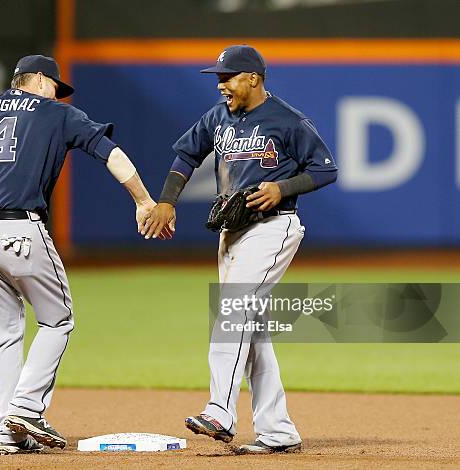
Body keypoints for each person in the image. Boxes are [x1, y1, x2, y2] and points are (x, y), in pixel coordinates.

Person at [0, 54, 156, 455]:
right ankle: (25, 409)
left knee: (3, 336)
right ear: (40, 81)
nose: (57, 94)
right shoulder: (57, 114)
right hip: (19, 227)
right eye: (55, 87)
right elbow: (110, 153)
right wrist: (143, 200)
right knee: (58, 319)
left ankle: (9, 430)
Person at [141, 45, 337, 454]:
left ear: (253, 78)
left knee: (232, 311)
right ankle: (278, 433)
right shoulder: (218, 117)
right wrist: (167, 200)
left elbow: (324, 169)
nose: (221, 85)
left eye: (227, 77)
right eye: (218, 78)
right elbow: (185, 155)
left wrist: (282, 187)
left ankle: (220, 411)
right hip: (231, 234)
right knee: (253, 331)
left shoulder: (288, 120)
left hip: (274, 228)